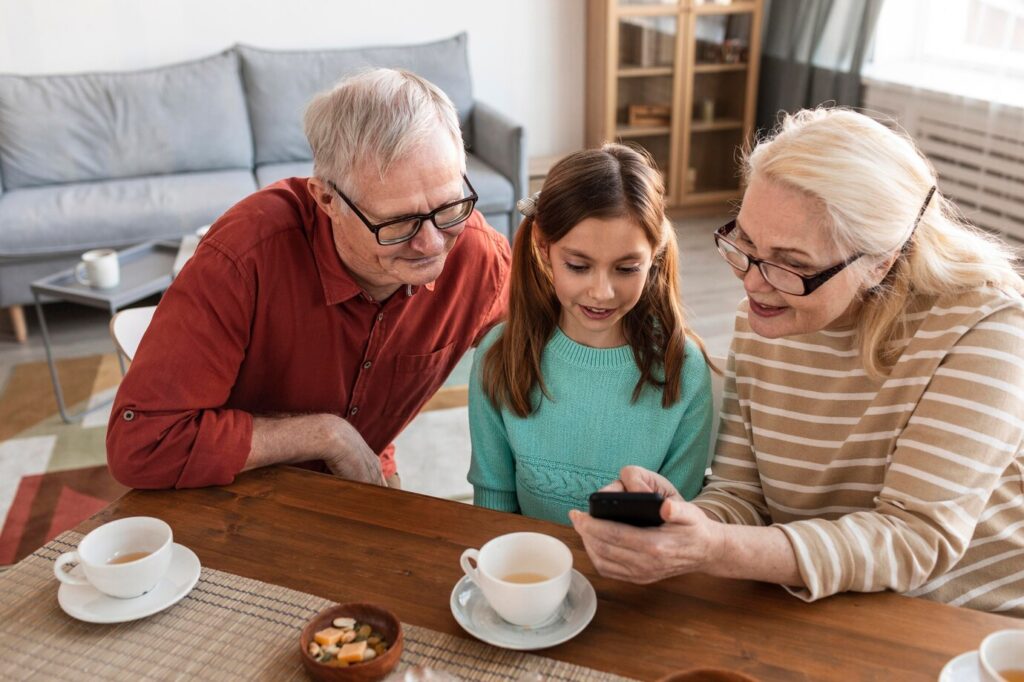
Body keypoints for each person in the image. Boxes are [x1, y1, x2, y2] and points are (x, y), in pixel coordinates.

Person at [570, 108, 1024, 618]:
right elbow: (742, 494)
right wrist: (682, 522)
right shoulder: (763, 320)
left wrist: (716, 548)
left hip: (970, 628)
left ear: (882, 259)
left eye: (792, 264)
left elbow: (914, 540)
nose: (752, 283)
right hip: (822, 609)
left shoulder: (987, 327)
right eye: (744, 243)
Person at [106, 68, 510, 490]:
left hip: (366, 467)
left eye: (448, 207)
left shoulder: (478, 255)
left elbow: (551, 352)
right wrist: (326, 436)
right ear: (327, 199)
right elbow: (142, 446)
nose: (431, 244)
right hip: (234, 485)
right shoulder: (244, 257)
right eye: (398, 223)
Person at [468, 144, 714, 525]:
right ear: (543, 248)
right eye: (579, 266)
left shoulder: (683, 370)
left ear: (655, 257)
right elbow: (493, 504)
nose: (602, 292)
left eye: (626, 268)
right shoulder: (497, 355)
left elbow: (680, 518)